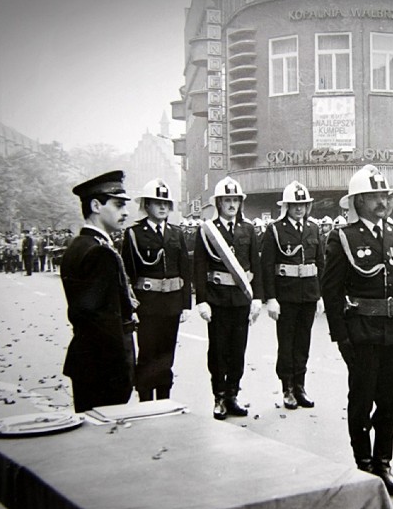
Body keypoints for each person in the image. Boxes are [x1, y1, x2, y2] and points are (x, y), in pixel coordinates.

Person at [321, 164, 393, 496]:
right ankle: (363, 463)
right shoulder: (343, 238)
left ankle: (383, 463)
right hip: (361, 332)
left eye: (385, 195)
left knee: (391, 401)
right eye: (374, 196)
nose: (382, 202)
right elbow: (332, 292)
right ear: (359, 201)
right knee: (362, 400)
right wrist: (341, 337)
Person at [60, 171, 137, 413]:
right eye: (118, 205)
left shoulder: (78, 246)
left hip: (87, 359)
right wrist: (122, 368)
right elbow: (103, 319)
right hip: (105, 365)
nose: (125, 212)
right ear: (95, 205)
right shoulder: (100, 252)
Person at [194, 176, 262, 420]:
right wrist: (201, 300)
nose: (232, 204)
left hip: (241, 299)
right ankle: (219, 397)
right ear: (218, 203)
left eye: (235, 200)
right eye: (227, 200)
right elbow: (199, 267)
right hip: (217, 299)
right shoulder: (207, 231)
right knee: (218, 351)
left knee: (238, 351)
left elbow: (256, 264)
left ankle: (233, 394)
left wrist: (257, 298)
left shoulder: (248, 229)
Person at [120, 178, 192, 402]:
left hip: (171, 304)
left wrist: (185, 304)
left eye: (166, 203)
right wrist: (129, 306)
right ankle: (145, 400)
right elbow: (127, 275)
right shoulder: (134, 234)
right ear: (147, 206)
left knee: (166, 355)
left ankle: (164, 399)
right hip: (147, 304)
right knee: (148, 354)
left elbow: (185, 271)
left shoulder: (176, 233)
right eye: (156, 202)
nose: (162, 207)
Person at [261, 181, 324, 410]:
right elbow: (267, 266)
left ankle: (300, 386)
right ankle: (287, 387)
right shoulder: (275, 230)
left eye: (303, 204)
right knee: (286, 344)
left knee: (303, 344)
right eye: (295, 204)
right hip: (285, 296)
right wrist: (271, 298)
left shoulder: (314, 229)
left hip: (308, 294)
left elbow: (320, 264)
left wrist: (319, 296)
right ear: (286, 206)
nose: (299, 209)